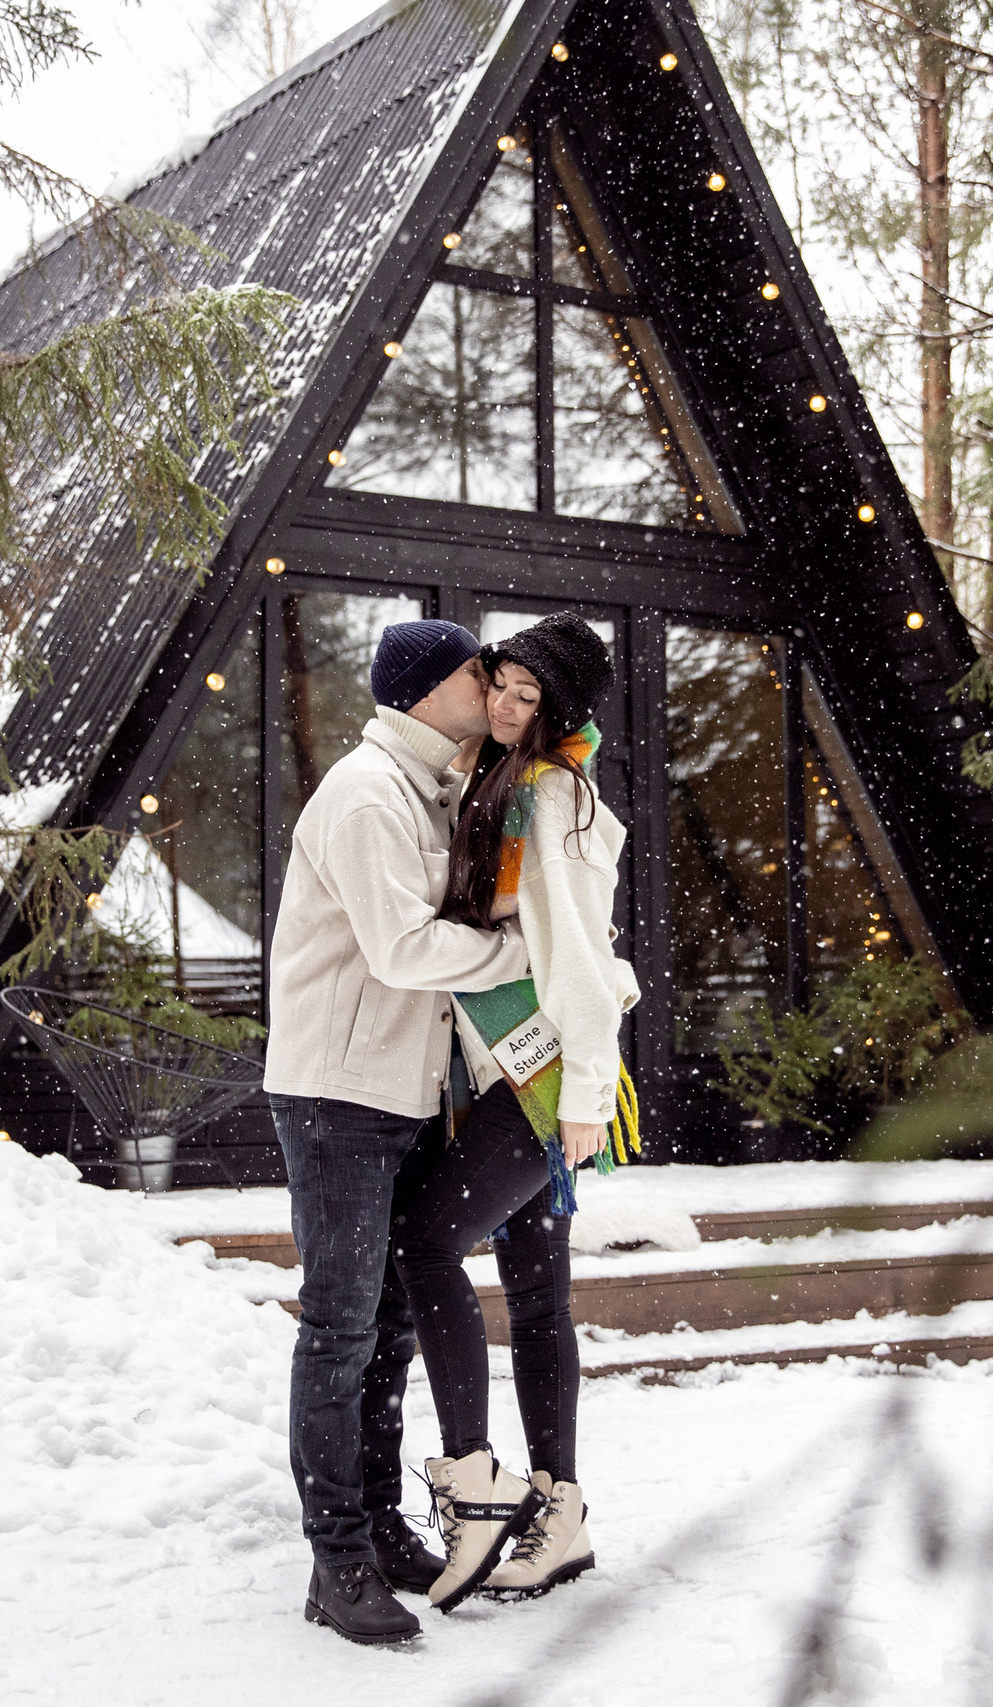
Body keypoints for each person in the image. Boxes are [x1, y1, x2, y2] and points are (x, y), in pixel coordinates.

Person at [261, 617, 533, 1647]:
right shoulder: (368, 794)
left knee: (386, 1326)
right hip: (338, 1097)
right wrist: (524, 955)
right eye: (475, 672)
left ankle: (376, 1527)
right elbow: (402, 948)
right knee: (339, 1328)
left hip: (401, 1094)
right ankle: (335, 1560)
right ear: (423, 688)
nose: (491, 685)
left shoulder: (433, 789)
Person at [389, 612, 636, 1611]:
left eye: (529, 697)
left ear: (556, 713)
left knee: (424, 1243)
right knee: (537, 1295)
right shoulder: (501, 777)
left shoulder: (551, 799)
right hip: (512, 1070)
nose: (503, 703)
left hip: (546, 1077)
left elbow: (580, 959)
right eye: (501, 682)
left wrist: (586, 1095)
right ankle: (560, 1511)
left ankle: (476, 1477)